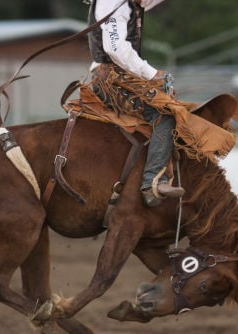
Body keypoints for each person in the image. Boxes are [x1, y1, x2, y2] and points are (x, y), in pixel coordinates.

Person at [88, 0, 185, 207]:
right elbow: (115, 48)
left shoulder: (129, 4)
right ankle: (152, 183)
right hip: (111, 82)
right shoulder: (115, 2)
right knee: (164, 116)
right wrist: (151, 74)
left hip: (119, 79)